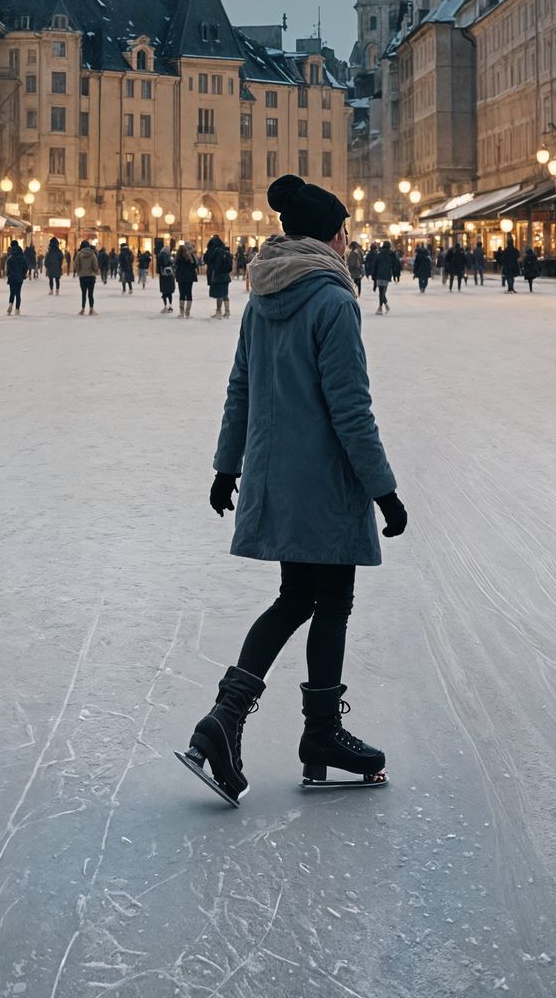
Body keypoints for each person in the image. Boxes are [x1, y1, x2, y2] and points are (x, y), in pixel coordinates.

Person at [178, 173, 405, 805]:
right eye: (346, 231)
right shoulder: (334, 300)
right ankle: (320, 735)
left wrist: (229, 466)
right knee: (328, 602)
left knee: (296, 597)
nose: (350, 241)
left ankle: (225, 719)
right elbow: (350, 410)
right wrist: (383, 491)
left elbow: (240, 390)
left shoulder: (262, 297)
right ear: (331, 236)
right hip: (326, 484)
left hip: (278, 477)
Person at [205, 234, 233, 318]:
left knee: (219, 295)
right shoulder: (224, 251)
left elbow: (211, 262)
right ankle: (227, 312)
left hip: (218, 276)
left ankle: (219, 312)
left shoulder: (216, 252)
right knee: (224, 294)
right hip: (226, 276)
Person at [368, 239, 396, 313]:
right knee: (383, 292)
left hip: (379, 275)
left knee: (381, 292)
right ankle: (384, 306)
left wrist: (373, 275)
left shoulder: (379, 254)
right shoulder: (390, 255)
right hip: (386, 275)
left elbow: (375, 266)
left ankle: (381, 307)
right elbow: (394, 264)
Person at [75, 237, 100, 314]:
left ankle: (82, 309)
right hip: (91, 276)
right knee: (90, 293)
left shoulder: (79, 254)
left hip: (82, 276)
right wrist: (96, 272)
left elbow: (76, 264)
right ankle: (91, 309)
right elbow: (95, 264)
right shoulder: (92, 254)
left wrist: (79, 271)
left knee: (83, 293)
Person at [174, 241, 199, 318]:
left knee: (181, 294)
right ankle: (187, 313)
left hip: (181, 277)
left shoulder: (179, 256)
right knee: (189, 294)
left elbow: (176, 265)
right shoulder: (191, 256)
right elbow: (195, 266)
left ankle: (181, 313)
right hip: (189, 277)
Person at [5, 238, 28, 315]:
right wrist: (23, 274)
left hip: (12, 277)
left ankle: (10, 304)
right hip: (19, 277)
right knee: (18, 293)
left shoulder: (10, 258)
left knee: (12, 293)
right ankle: (17, 309)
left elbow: (7, 269)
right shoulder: (23, 257)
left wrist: (9, 274)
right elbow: (26, 267)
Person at [157, 242, 177, 311]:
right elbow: (171, 263)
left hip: (163, 275)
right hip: (169, 276)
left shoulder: (160, 255)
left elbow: (159, 265)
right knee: (169, 292)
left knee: (164, 291)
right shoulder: (168, 256)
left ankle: (165, 306)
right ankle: (170, 306)